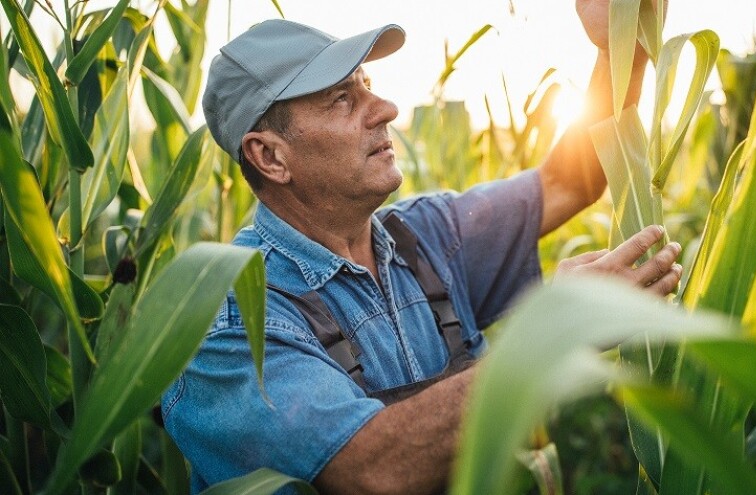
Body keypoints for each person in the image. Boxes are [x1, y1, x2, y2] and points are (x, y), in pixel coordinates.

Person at [161, 1, 680, 493]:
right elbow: (371, 470)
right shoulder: (228, 325)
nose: (385, 108)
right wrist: (549, 333)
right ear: (270, 157)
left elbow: (569, 182)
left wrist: (618, 46)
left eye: (368, 85)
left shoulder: (428, 237)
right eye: (343, 98)